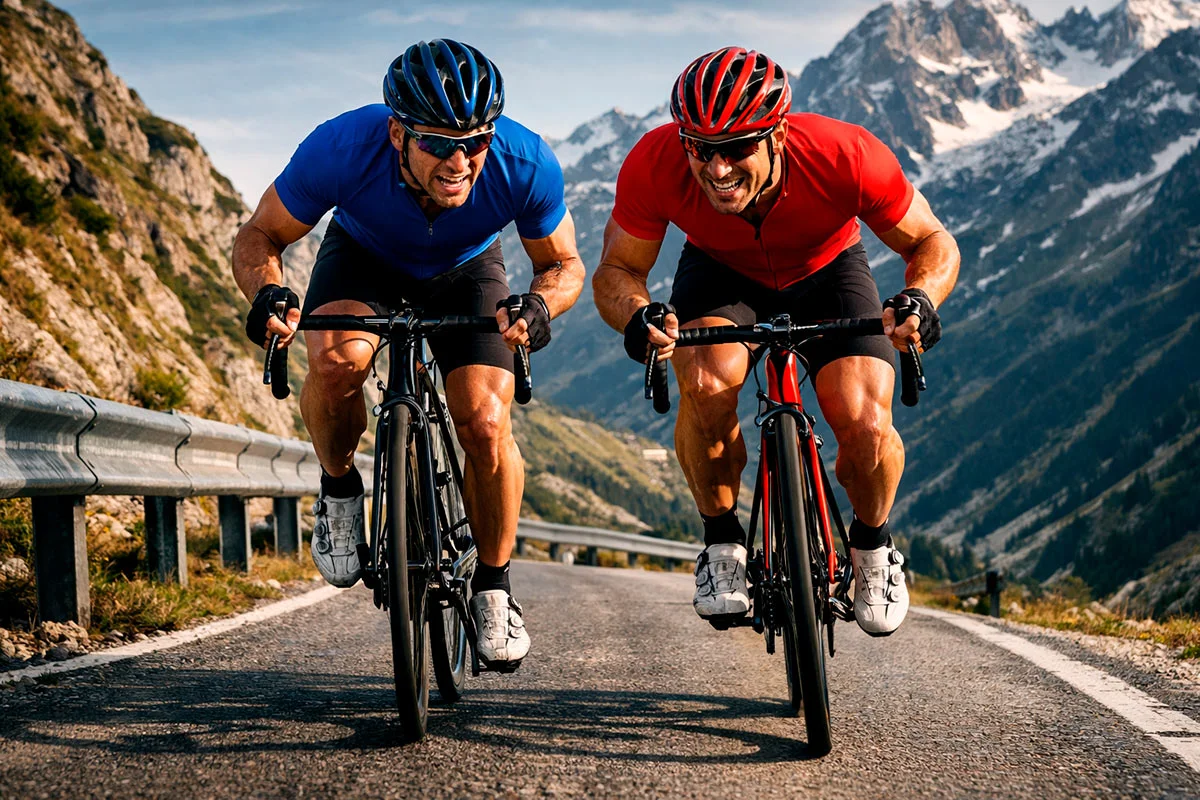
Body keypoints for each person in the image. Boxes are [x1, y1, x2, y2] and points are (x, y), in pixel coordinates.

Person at [233, 39, 584, 669]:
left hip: (468, 266)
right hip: (364, 257)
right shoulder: (340, 147)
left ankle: (495, 588)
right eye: (438, 143)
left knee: (484, 419)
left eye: (475, 141)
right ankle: (340, 490)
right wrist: (268, 291)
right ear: (398, 133)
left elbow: (562, 264)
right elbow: (260, 233)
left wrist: (537, 306)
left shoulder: (524, 161)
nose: (460, 159)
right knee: (337, 363)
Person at [593, 47, 959, 636]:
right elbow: (615, 274)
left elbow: (933, 243)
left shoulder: (848, 155)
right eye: (701, 149)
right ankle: (721, 543)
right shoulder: (654, 163)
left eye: (737, 148)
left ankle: (871, 545)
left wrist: (920, 299)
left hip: (828, 267)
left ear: (778, 135)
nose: (717, 169)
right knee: (707, 385)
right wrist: (638, 316)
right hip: (719, 271)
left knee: (863, 420)